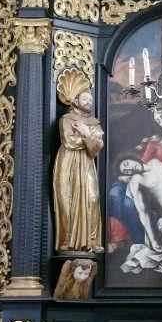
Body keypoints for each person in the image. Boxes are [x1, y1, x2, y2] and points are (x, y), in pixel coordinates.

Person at [53, 69, 105, 254]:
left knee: (92, 198)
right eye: (85, 99)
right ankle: (68, 240)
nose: (89, 102)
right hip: (68, 162)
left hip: (87, 163)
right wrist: (89, 137)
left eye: (90, 99)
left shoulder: (94, 123)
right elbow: (69, 142)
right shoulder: (66, 119)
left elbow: (96, 148)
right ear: (75, 101)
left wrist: (86, 133)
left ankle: (91, 240)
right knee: (68, 199)